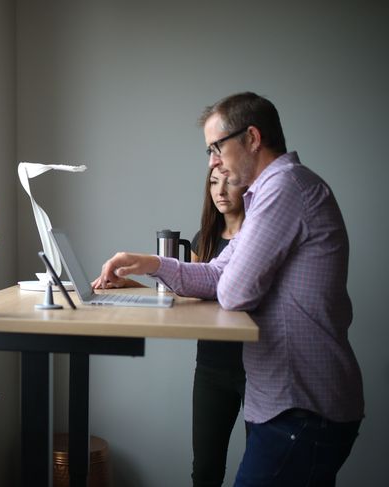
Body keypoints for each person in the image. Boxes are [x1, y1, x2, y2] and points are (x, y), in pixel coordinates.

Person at [93, 92, 364, 486]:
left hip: (302, 407)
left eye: (216, 147)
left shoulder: (283, 187)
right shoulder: (267, 195)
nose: (212, 162)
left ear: (252, 138)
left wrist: (204, 274)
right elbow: (219, 272)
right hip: (291, 405)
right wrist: (150, 264)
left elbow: (235, 291)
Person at [190, 167, 247, 487]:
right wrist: (130, 284)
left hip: (257, 366)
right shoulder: (204, 239)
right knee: (206, 470)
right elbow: (190, 295)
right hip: (211, 365)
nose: (221, 190)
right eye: (213, 182)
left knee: (259, 468)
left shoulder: (259, 238)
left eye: (230, 181)